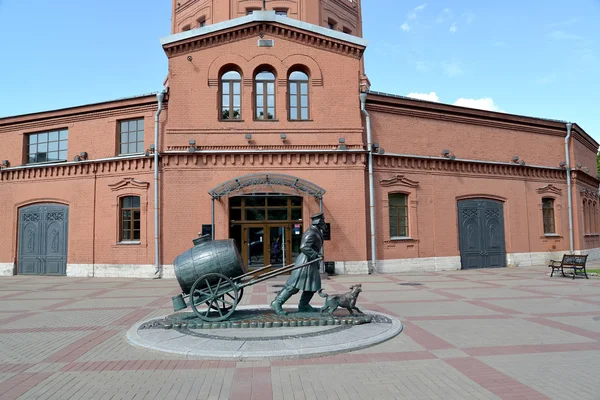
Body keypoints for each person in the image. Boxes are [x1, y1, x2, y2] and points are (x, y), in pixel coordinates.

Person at [271, 212, 325, 315]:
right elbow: (304, 247)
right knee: (294, 285)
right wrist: (315, 254)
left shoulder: (316, 231)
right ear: (318, 222)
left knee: (313, 285)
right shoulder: (311, 232)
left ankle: (304, 305)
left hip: (311, 262)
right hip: (305, 261)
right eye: (322, 221)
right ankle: (277, 302)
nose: (324, 222)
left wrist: (317, 254)